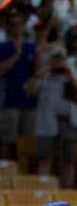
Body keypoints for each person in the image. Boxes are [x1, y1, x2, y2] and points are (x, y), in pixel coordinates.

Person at [25, 46, 77, 188]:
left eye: (61, 59)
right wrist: (41, 73)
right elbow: (29, 91)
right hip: (47, 123)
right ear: (50, 60)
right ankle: (43, 189)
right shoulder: (42, 76)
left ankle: (67, 190)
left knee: (69, 159)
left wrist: (70, 76)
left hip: (68, 121)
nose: (58, 63)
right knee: (45, 158)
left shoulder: (71, 76)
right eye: (55, 59)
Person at [0, 13, 38, 160]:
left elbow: (37, 71)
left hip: (28, 101)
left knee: (27, 141)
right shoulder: (3, 47)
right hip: (9, 100)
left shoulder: (31, 47)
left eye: (19, 23)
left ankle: (24, 172)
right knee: (7, 139)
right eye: (13, 23)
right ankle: (4, 170)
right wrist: (16, 55)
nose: (16, 26)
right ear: (8, 27)